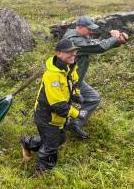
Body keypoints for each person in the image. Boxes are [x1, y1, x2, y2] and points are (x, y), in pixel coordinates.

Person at [20, 39, 88, 176]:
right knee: (51, 146)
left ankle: (27, 143)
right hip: (47, 116)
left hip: (57, 117)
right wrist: (77, 114)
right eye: (69, 52)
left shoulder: (70, 67)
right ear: (58, 53)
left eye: (74, 51)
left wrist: (76, 95)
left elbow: (73, 85)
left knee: (60, 139)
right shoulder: (52, 75)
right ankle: (41, 174)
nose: (73, 54)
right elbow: (59, 106)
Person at [63, 16, 128, 139]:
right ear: (80, 27)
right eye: (89, 29)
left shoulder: (79, 37)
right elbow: (98, 47)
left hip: (76, 79)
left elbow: (94, 44)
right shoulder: (74, 41)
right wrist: (114, 38)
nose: (91, 32)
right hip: (66, 81)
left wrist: (117, 42)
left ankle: (75, 124)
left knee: (93, 98)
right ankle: (44, 139)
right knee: (61, 109)